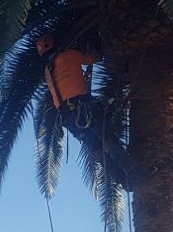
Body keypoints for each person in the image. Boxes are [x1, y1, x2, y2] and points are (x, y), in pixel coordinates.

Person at [36, 34, 145, 189]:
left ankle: (123, 181)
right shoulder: (69, 55)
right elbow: (94, 58)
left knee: (97, 149)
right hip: (83, 108)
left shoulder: (48, 71)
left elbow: (67, 82)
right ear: (55, 44)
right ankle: (134, 171)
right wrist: (93, 48)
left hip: (69, 119)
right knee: (107, 138)